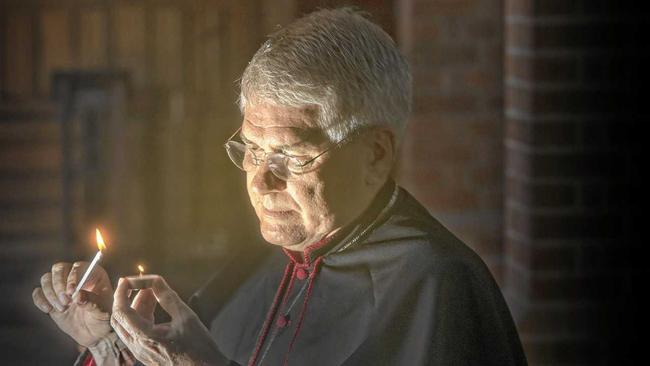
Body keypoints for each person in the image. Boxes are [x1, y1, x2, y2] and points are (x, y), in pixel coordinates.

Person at [32, 8, 527, 366]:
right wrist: (108, 345)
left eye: (289, 156)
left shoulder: (441, 287)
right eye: (250, 148)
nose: (260, 181)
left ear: (375, 154)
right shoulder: (266, 254)